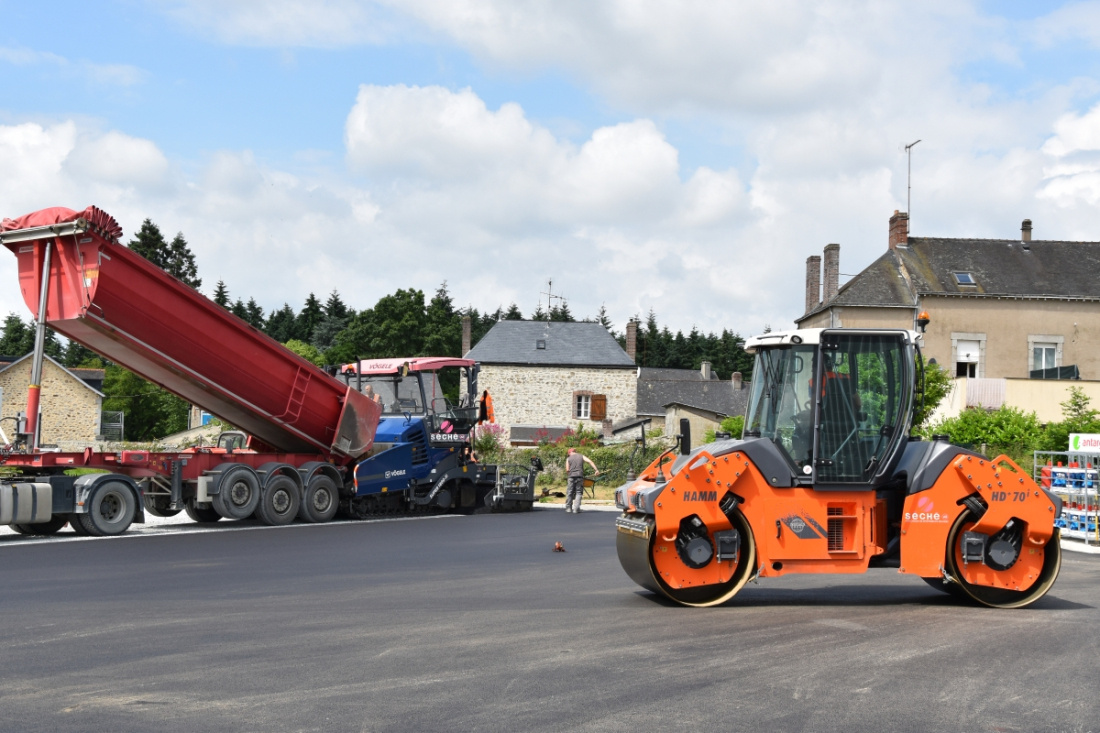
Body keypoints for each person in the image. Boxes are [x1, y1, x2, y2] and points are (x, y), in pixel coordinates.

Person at [565, 447, 598, 513]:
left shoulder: (568, 459)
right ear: (574, 451)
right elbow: (590, 461)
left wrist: (569, 475)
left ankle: (568, 508)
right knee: (579, 492)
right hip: (580, 476)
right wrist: (596, 470)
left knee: (570, 492)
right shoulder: (581, 456)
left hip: (571, 477)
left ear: (569, 453)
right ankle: (576, 509)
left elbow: (567, 470)